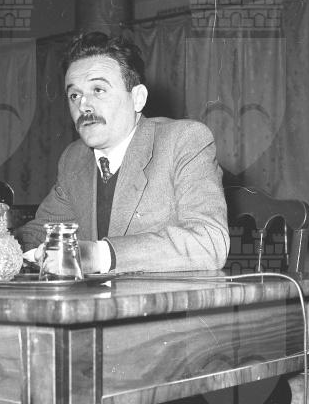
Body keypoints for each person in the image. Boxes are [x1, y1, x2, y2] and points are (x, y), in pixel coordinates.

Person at [18, 30, 229, 273]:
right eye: (74, 95)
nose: (83, 105)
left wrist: (98, 256)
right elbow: (40, 232)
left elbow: (210, 242)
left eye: (98, 90)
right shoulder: (74, 158)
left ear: (138, 98)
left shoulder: (183, 140)